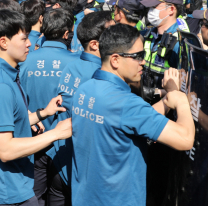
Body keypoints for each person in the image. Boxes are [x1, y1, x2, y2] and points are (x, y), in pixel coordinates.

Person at [71, 24, 195, 206]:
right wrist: (179, 98)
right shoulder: (126, 103)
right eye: (138, 56)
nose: (143, 62)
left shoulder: (85, 89)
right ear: (115, 60)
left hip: (84, 197)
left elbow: (132, 121)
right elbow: (185, 139)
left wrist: (166, 101)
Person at [0, 10, 72, 206]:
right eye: (24, 38)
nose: (29, 44)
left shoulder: (5, 74)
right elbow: (6, 149)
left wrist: (42, 113)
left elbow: (7, 123)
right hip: (8, 192)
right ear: (3, 42)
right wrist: (56, 134)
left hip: (11, 186)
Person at [47, 10, 113, 205]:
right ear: (95, 44)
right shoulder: (100, 75)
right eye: (111, 35)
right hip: (82, 169)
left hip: (59, 159)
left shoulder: (71, 66)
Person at [19, 9, 80, 204]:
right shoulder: (78, 63)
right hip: (64, 143)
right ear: (66, 33)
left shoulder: (25, 60)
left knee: (33, 196)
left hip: (32, 139)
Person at [139, 0, 188, 88]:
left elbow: (183, 86)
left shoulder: (179, 42)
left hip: (165, 100)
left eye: (155, 6)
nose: (150, 11)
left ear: (171, 9)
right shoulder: (149, 33)